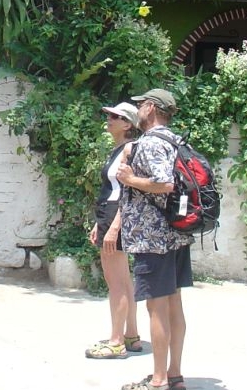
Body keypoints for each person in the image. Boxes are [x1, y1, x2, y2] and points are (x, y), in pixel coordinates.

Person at [116, 88, 194, 390]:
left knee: (156, 307)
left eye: (140, 105)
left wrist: (129, 179)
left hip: (153, 237)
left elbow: (164, 183)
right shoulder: (177, 140)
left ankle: (159, 380)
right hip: (177, 234)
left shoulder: (150, 142)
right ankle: (174, 375)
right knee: (174, 304)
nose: (137, 109)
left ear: (150, 107)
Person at [85, 102, 143, 360]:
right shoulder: (119, 149)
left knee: (115, 282)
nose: (109, 119)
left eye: (115, 116)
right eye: (109, 114)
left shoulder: (129, 150)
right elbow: (113, 189)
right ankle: (131, 335)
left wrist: (113, 227)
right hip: (109, 214)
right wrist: (100, 224)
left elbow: (128, 192)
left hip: (116, 215)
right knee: (124, 279)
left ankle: (117, 341)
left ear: (127, 124)